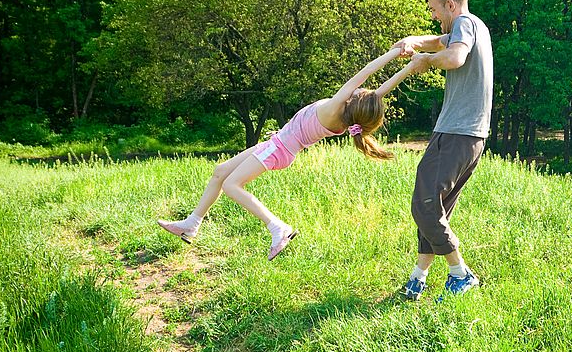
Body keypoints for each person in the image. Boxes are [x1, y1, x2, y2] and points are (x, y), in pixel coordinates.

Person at [158, 47, 416, 260]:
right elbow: (381, 91)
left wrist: (395, 52)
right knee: (220, 172)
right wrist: (412, 66)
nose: (363, 90)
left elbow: (366, 71)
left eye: (361, 92)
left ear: (353, 100)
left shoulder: (335, 108)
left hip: (279, 147)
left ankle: (277, 228)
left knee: (231, 185)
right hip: (279, 145)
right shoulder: (352, 115)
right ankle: (191, 224)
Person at [393, 0, 493, 301]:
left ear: (450, 5)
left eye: (435, 9)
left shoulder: (465, 22)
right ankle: (418, 277)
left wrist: (424, 62)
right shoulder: (476, 26)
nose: (434, 15)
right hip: (468, 135)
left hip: (457, 132)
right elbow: (439, 41)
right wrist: (414, 42)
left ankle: (460, 273)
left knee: (424, 205)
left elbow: (454, 57)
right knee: (436, 208)